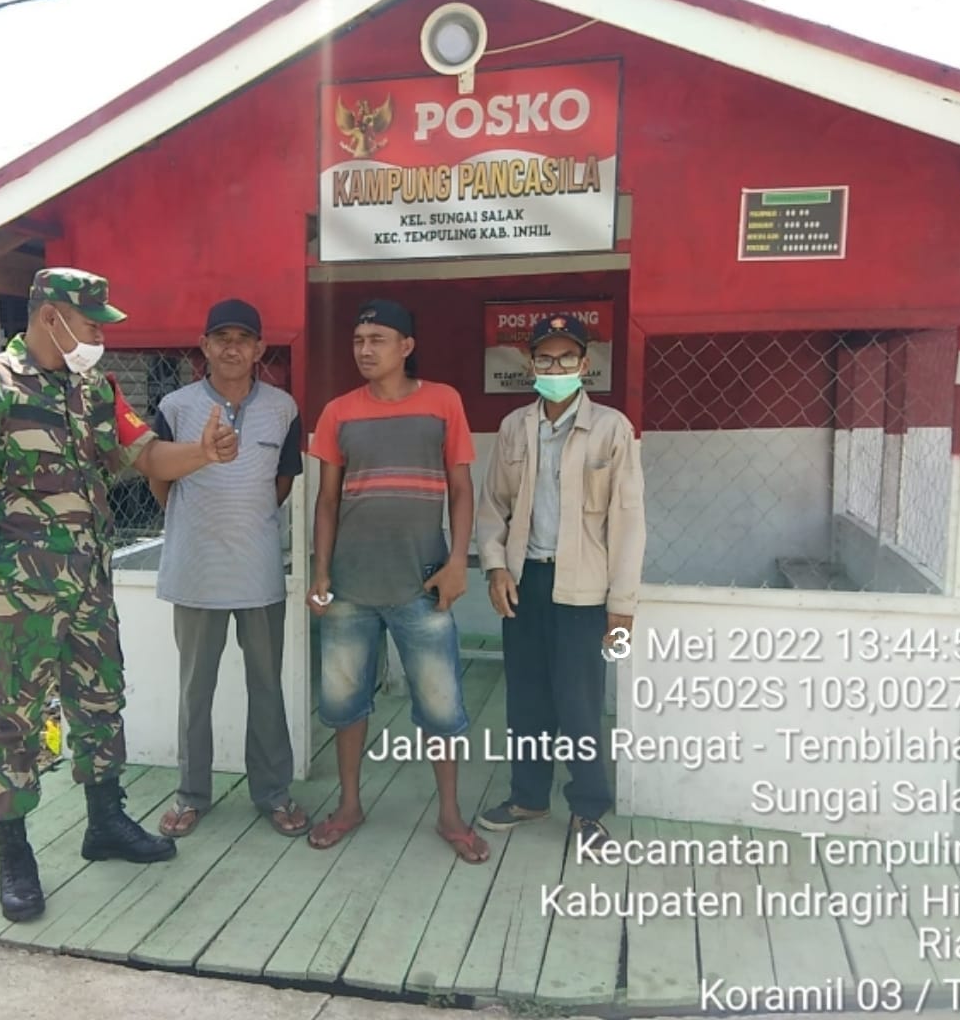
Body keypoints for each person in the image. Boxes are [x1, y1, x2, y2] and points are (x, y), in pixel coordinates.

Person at [0, 267, 240, 923]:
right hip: (15, 594)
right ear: (51, 317)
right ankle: (14, 856)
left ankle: (105, 823)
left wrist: (204, 455)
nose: (99, 336)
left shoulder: (92, 389)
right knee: (11, 719)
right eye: (92, 324)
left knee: (100, 700)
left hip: (87, 586)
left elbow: (146, 457)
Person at [306, 298, 489, 864]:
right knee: (344, 704)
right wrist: (319, 572)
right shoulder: (338, 412)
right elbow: (328, 500)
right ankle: (350, 805)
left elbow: (461, 488)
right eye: (359, 340)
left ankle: (450, 815)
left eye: (378, 339)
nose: (365, 349)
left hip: (424, 584)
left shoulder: (443, 402)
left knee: (440, 706)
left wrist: (459, 561)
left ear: (406, 346)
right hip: (350, 587)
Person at [474, 313, 645, 861]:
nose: (555, 367)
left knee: (578, 704)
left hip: (584, 589)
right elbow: (493, 505)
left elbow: (628, 520)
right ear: (529, 365)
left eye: (566, 358)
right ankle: (528, 798)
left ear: (584, 364)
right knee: (526, 699)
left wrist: (621, 607)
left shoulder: (612, 429)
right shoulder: (514, 428)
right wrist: (496, 567)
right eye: (544, 358)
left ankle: (587, 807)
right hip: (526, 580)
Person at [148, 298, 309, 839]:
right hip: (195, 570)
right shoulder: (175, 405)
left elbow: (281, 484)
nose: (233, 347)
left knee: (267, 685)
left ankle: (274, 794)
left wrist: (248, 518)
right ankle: (191, 795)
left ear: (261, 348)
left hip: (258, 571)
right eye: (222, 337)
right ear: (205, 345)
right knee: (196, 689)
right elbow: (158, 479)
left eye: (244, 338)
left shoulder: (284, 407)